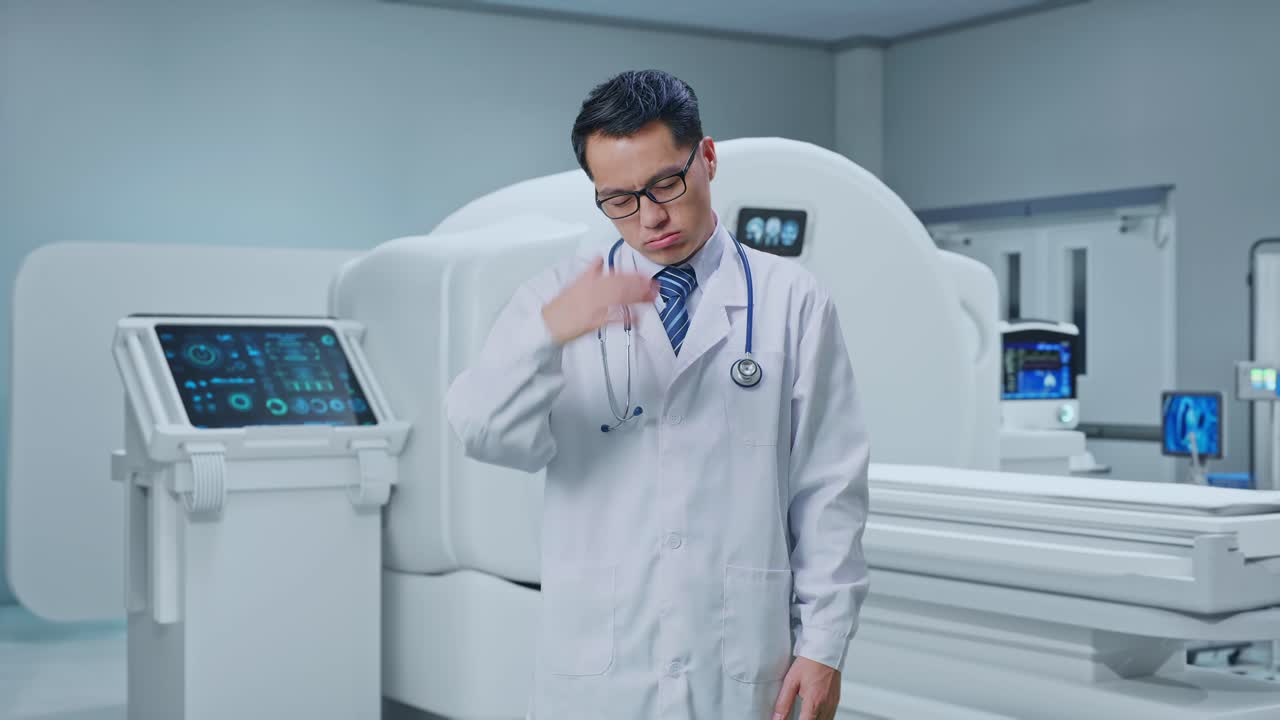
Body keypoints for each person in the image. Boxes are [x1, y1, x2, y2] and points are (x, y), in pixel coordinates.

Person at [445, 69, 870, 720]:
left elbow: (828, 488)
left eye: (665, 184)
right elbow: (484, 432)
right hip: (600, 671)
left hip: (739, 663)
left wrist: (825, 645)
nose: (650, 218)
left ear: (706, 156)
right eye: (618, 200)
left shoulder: (793, 302)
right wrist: (548, 336)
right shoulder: (550, 301)